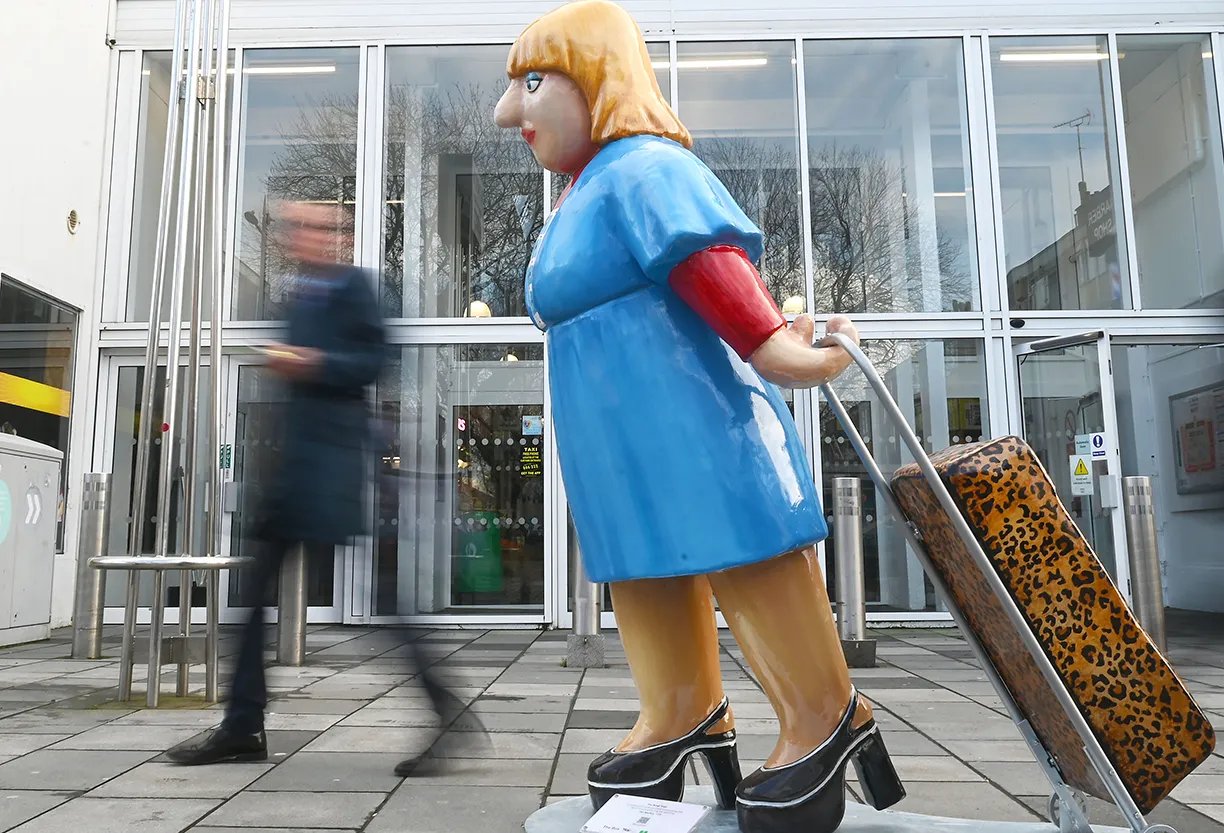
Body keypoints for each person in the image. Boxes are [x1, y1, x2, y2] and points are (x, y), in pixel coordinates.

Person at [492, 3, 904, 831]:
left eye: (533, 82)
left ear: (595, 78)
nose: (509, 112)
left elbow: (717, 275)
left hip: (698, 415)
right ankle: (683, 711)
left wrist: (790, 355)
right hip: (617, 435)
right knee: (643, 565)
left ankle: (826, 711)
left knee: (741, 551)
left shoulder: (648, 168)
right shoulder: (580, 193)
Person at [166, 202, 474, 773]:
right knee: (254, 597)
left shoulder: (356, 289)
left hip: (335, 469)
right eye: (295, 227)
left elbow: (374, 360)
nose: (301, 237)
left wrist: (315, 360)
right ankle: (242, 725)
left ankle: (445, 713)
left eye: (315, 227)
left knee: (384, 601)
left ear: (337, 238)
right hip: (295, 471)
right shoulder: (295, 296)